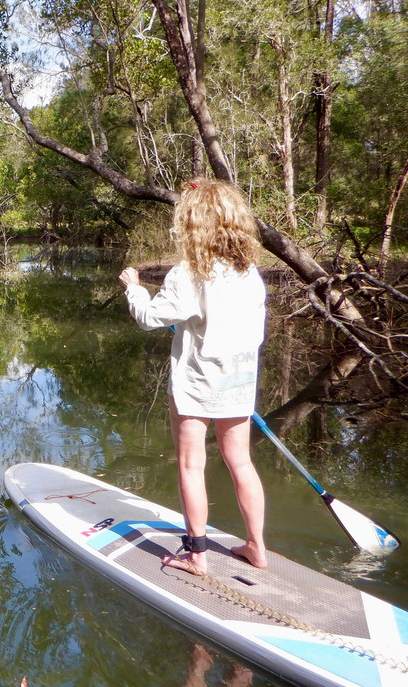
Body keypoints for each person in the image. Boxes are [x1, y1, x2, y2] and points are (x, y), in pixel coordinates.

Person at [118, 178, 268, 575]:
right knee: (241, 462)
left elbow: (150, 318)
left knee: (190, 464)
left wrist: (134, 289)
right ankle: (257, 548)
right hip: (238, 381)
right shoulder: (249, 273)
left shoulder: (187, 274)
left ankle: (196, 555)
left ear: (192, 225)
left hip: (197, 383)